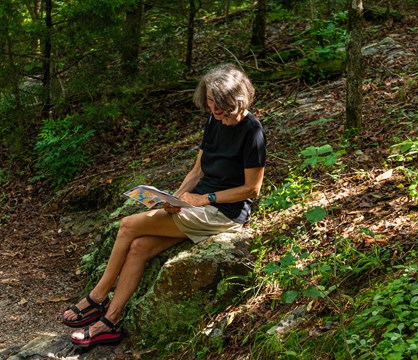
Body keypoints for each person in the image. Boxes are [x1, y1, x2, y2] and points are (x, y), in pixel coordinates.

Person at [61, 63, 266, 347]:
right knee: (139, 247)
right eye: (210, 105)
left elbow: (252, 189)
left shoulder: (253, 132)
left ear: (237, 102)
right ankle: (111, 320)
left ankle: (96, 298)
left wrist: (204, 199)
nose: (215, 114)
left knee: (128, 225)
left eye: (221, 109)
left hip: (224, 213)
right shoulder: (213, 121)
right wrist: (174, 198)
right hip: (196, 206)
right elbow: (198, 171)